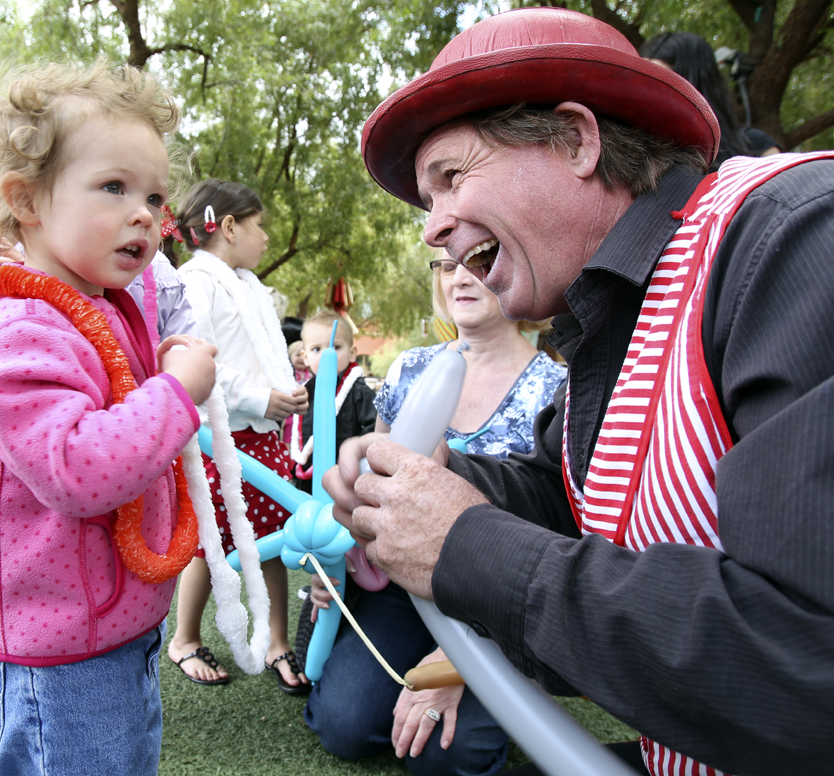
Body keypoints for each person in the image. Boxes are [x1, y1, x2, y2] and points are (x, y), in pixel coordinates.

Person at [326, 7, 834, 776]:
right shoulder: (605, 322)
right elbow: (574, 509)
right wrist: (432, 485)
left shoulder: (792, 238)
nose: (432, 231)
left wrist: (465, 545)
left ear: (576, 140)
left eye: (451, 179)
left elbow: (805, 665)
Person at [0, 60, 217, 775]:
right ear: (27, 200)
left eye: (154, 195)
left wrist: (161, 369)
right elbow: (78, 468)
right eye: (114, 187)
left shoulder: (98, 312)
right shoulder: (20, 334)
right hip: (60, 651)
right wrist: (175, 393)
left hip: (113, 626)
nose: (145, 214)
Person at [304, 262, 564, 776]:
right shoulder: (409, 367)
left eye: (477, 263)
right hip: (404, 590)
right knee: (344, 725)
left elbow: (554, 531)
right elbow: (374, 489)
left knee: (448, 757)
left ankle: (511, 688)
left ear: (515, 267)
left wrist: (457, 664)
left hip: (498, 600)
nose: (459, 278)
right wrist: (336, 562)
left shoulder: (555, 387)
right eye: (446, 266)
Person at [166, 179, 311, 692]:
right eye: (259, 225)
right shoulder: (195, 281)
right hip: (221, 438)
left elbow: (262, 353)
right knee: (214, 541)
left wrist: (285, 391)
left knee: (270, 536)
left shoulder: (248, 284)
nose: (266, 237)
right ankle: (184, 638)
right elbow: (197, 360)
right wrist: (259, 398)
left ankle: (276, 641)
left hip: (262, 438)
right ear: (228, 226)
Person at [640, 31, 781, 166]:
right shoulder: (639, 149)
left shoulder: (758, 147)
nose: (647, 91)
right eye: (642, 78)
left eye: (660, 82)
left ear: (694, 85)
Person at [288, 309, 378, 491]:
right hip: (309, 481)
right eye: (316, 349)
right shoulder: (305, 393)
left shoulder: (359, 392)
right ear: (305, 357)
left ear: (352, 353)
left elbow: (374, 430)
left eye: (336, 347)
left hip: (347, 481)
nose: (326, 354)